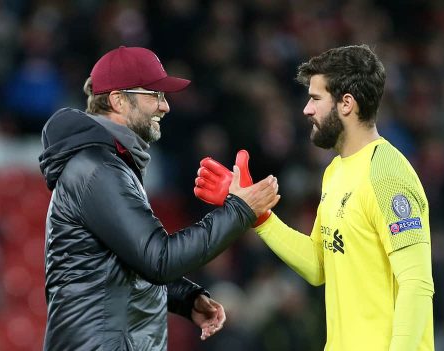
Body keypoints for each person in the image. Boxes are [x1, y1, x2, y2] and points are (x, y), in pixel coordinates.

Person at [38, 46, 280, 351]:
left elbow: (121, 269)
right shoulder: (97, 168)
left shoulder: (109, 163)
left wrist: (184, 297)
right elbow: (158, 259)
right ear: (118, 100)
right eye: (155, 94)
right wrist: (240, 210)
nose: (165, 107)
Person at [194, 45, 435, 350]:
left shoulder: (386, 175)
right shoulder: (335, 172)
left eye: (316, 98)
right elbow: (319, 265)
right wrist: (258, 214)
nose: (307, 109)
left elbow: (416, 284)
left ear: (346, 104)